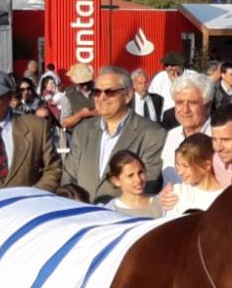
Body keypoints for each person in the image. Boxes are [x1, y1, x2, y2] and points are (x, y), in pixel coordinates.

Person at [61, 66, 166, 202]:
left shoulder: (153, 134)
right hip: (82, 216)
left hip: (123, 218)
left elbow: (148, 183)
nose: (102, 97)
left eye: (109, 92)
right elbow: (69, 175)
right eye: (97, 92)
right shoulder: (83, 130)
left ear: (128, 95)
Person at [160, 73, 213, 177]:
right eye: (179, 102)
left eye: (192, 103)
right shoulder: (172, 136)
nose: (185, 110)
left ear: (207, 106)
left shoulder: (219, 138)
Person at [164, 133, 224, 219]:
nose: (180, 172)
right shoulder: (178, 193)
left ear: (206, 166)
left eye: (185, 166)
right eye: (178, 165)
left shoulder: (225, 194)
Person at [103, 150, 163, 218]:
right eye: (130, 175)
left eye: (140, 172)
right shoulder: (110, 212)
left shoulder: (162, 204)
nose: (138, 179)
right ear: (116, 181)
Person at [149, 51, 187, 123]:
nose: (169, 68)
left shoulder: (192, 76)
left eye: (172, 65)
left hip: (185, 117)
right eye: (166, 65)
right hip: (165, 119)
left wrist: (176, 83)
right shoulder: (160, 77)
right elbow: (152, 98)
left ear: (181, 65)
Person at [61, 63, 97, 131]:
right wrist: (80, 115)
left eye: (87, 82)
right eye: (82, 84)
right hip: (77, 137)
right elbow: (64, 122)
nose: (85, 86)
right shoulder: (69, 95)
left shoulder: (100, 91)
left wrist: (94, 112)